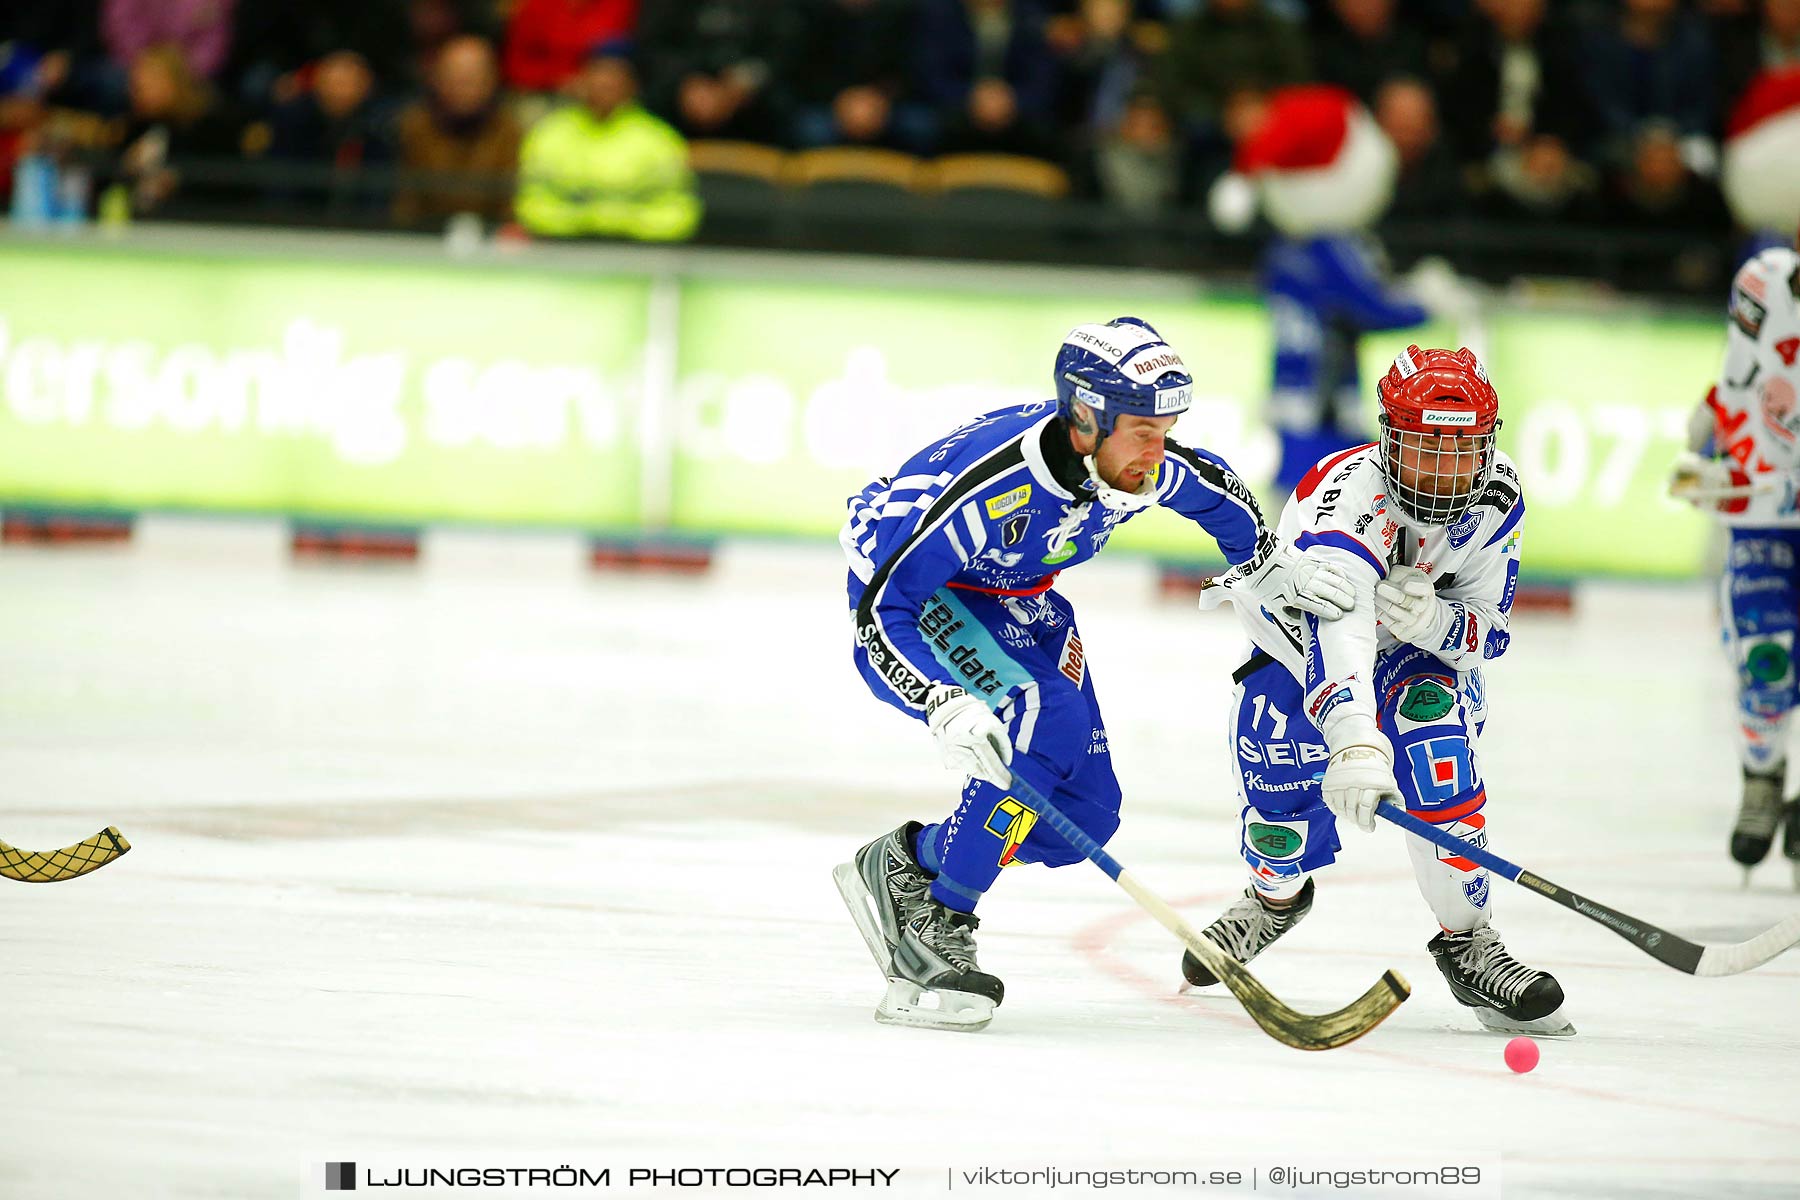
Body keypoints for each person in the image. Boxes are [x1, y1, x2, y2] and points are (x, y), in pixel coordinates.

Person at [832, 316, 1357, 1031]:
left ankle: (912, 862)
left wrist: (1266, 561)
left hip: (1020, 599)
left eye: (1166, 427)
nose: (1158, 447)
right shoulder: (992, 485)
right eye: (1143, 428)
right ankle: (939, 917)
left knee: (1083, 816)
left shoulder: (1130, 458)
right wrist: (941, 699)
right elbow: (880, 611)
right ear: (1084, 417)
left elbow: (1214, 493)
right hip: (918, 600)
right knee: (1046, 717)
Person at [1185, 344, 1573, 1037]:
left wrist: (1437, 620)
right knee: (1277, 796)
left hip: (1415, 655)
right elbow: (1339, 641)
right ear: (1388, 438)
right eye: (1426, 448)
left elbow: (1491, 634)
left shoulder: (1501, 496)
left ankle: (1470, 940)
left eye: (1465, 449)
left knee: (1438, 756)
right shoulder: (1346, 501)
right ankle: (1274, 899)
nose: (1448, 471)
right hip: (1294, 645)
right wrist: (1356, 742)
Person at [1668, 228, 1800, 881]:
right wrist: (1708, 432)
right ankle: (1762, 775)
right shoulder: (1764, 281)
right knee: (1763, 656)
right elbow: (1739, 372)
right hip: (1762, 515)